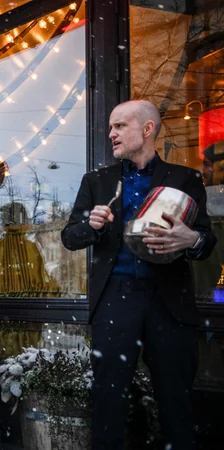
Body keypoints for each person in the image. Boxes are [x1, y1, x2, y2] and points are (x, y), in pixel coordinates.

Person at [61, 100, 216, 450]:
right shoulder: (96, 181)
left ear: (147, 129)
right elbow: (70, 238)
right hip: (115, 300)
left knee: (177, 404)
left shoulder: (186, 178)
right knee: (108, 403)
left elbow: (207, 242)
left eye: (120, 126)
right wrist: (91, 226)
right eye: (111, 126)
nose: (111, 133)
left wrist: (192, 239)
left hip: (170, 302)